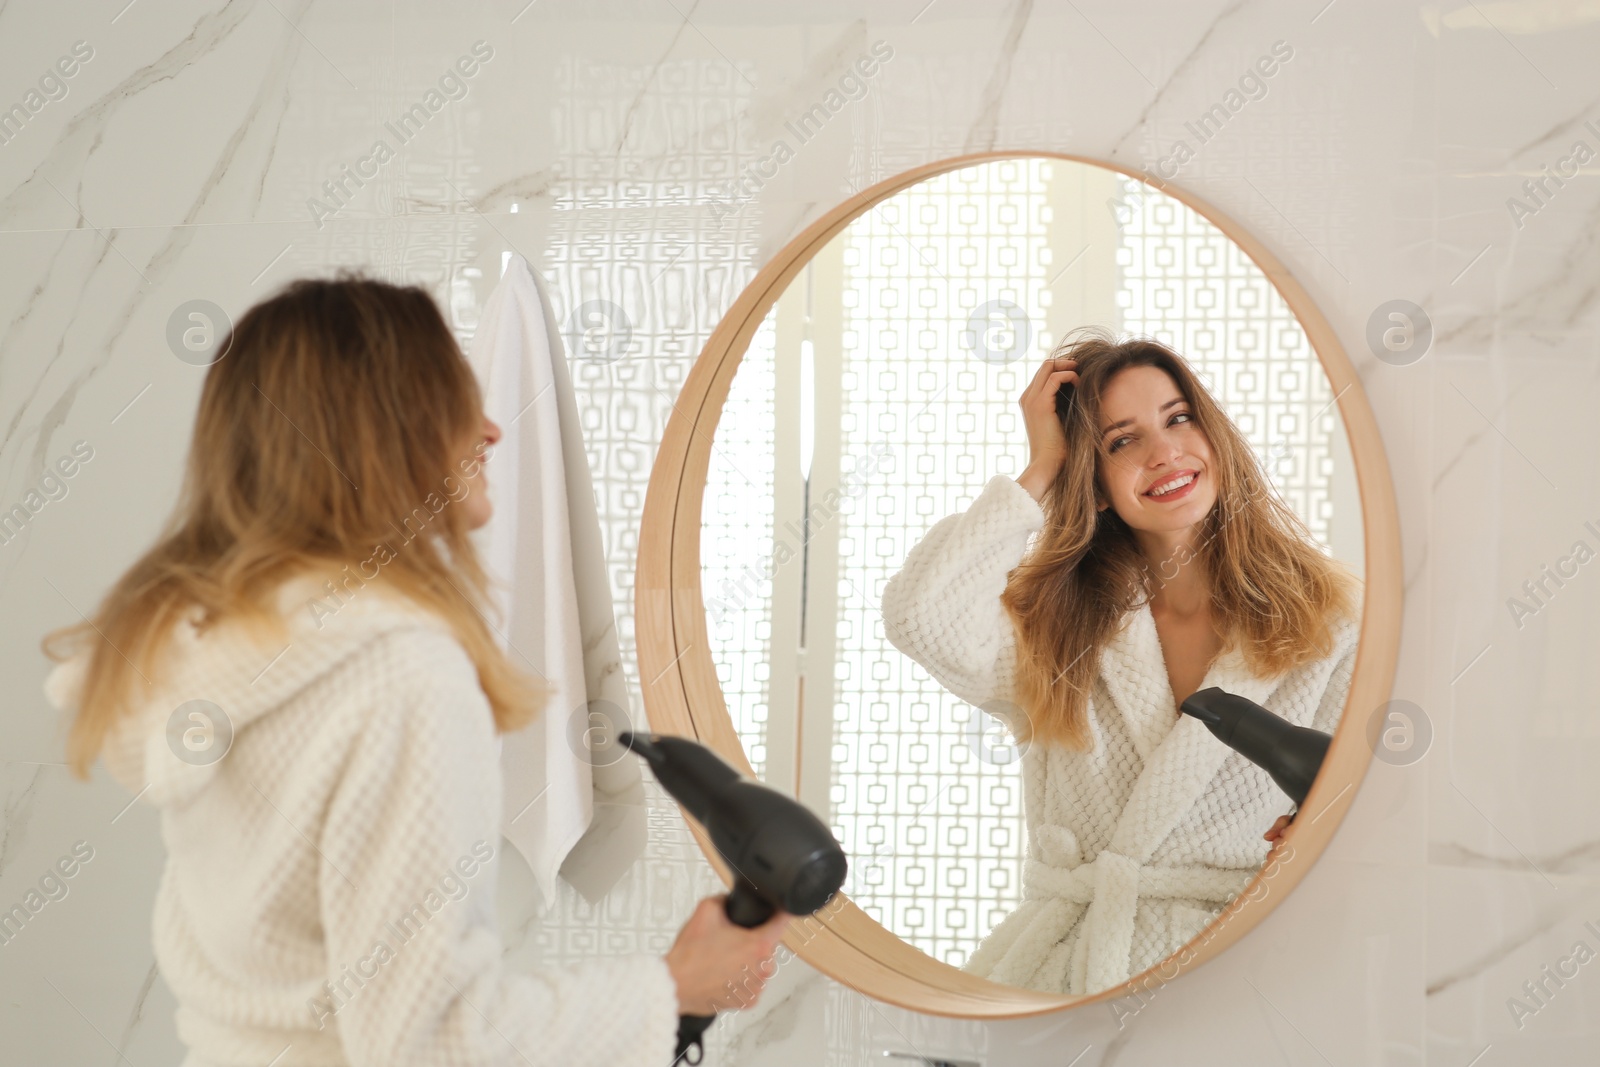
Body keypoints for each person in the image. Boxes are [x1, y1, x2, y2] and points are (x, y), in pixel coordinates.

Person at [40, 275, 789, 1066]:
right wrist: (672, 988)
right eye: (456, 401)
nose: (493, 430)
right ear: (382, 433)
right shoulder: (396, 674)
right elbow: (430, 1043)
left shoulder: (218, 648)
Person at [880, 328, 1362, 996]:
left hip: (1238, 973)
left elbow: (1364, 805)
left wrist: (1318, 839)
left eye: (1178, 418)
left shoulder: (1328, 621)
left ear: (1213, 436)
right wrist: (1041, 470)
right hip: (1069, 973)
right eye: (1122, 440)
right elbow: (921, 617)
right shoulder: (1058, 629)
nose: (1164, 452)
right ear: (1096, 485)